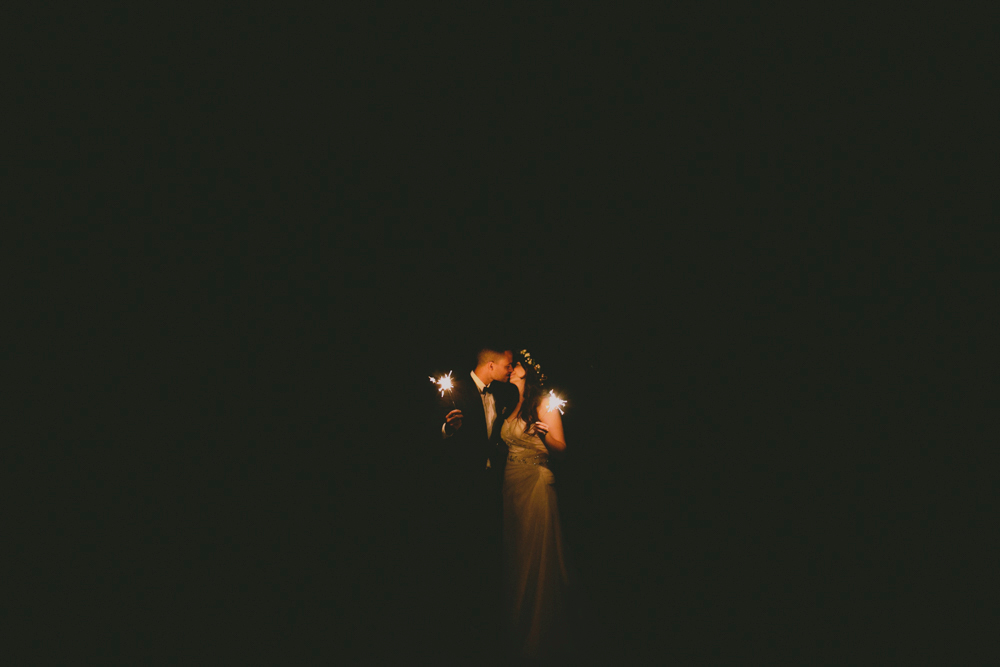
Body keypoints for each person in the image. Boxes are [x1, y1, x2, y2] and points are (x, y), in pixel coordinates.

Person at [435, 345, 519, 662]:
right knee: (461, 549)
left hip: (491, 483)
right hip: (461, 486)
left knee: (487, 547)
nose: (510, 369)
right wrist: (447, 429)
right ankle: (458, 620)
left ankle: (484, 612)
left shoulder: (502, 394)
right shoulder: (454, 392)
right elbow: (430, 433)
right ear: (491, 365)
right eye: (507, 365)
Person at [501, 349, 571, 663]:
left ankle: (539, 629)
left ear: (525, 370)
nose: (510, 367)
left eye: (514, 363)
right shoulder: (509, 403)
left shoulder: (543, 404)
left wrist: (544, 436)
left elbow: (562, 448)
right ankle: (512, 621)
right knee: (514, 551)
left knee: (535, 552)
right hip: (510, 484)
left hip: (536, 483)